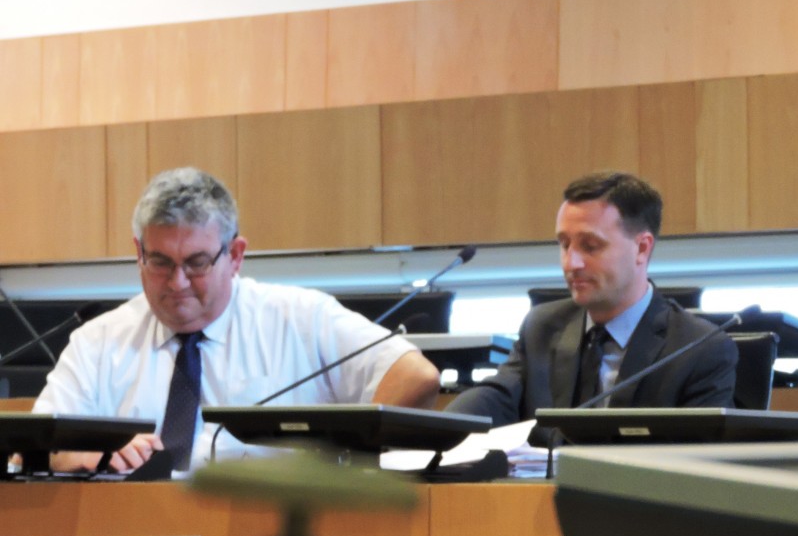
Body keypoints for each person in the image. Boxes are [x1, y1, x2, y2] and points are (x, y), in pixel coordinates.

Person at [34, 167, 441, 473]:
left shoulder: (300, 318)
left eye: (197, 263)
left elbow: (415, 376)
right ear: (138, 252)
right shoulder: (98, 341)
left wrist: (344, 458)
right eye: (160, 262)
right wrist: (87, 455)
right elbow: (38, 445)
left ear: (235, 255)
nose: (177, 283)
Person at [447, 171, 736, 429]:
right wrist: (440, 429)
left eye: (590, 246)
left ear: (641, 249)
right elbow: (496, 398)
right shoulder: (542, 327)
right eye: (564, 244)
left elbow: (700, 464)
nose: (571, 263)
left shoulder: (699, 349)